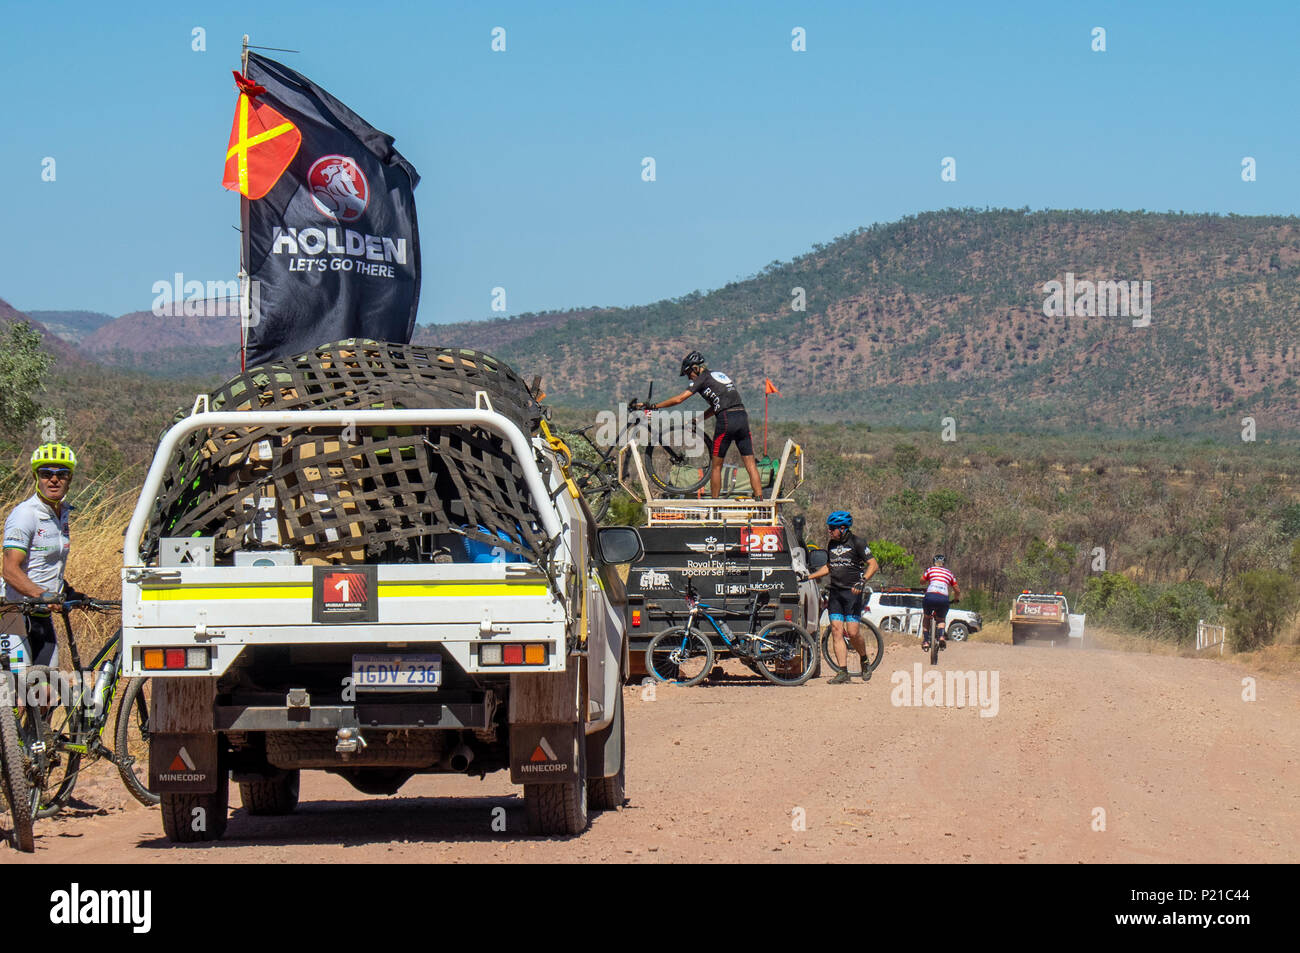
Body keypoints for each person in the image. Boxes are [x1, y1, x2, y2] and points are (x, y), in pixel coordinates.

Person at [636, 351, 765, 500]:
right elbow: (718, 404)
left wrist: (654, 406)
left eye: (688, 373)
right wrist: (699, 419)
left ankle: (714, 506)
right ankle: (760, 501)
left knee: (716, 466)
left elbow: (679, 399)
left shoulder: (702, 378)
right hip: (742, 416)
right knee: (750, 464)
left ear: (696, 368)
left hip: (726, 419)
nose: (689, 377)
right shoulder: (717, 376)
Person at [2, 444, 83, 669]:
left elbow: (45, 565)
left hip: (41, 614)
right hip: (14, 616)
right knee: (16, 691)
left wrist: (67, 591)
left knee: (45, 693)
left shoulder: (62, 513)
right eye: (46, 473)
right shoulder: (25, 515)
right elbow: (10, 570)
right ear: (36, 477)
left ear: (70, 478)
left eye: (61, 474)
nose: (54, 479)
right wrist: (43, 594)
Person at [808, 510, 878, 684]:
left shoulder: (858, 543)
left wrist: (862, 581)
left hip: (852, 594)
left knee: (853, 633)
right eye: (829, 528)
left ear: (843, 528)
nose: (829, 531)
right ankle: (843, 671)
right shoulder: (832, 544)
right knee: (837, 631)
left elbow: (873, 565)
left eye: (832, 528)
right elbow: (829, 567)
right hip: (836, 593)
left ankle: (864, 659)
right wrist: (809, 576)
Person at [919, 554, 959, 652]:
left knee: (927, 617)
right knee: (941, 619)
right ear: (944, 564)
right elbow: (957, 590)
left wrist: (927, 581)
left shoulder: (930, 570)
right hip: (943, 598)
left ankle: (925, 641)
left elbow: (922, 581)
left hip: (930, 596)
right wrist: (956, 599)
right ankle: (941, 636)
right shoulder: (949, 573)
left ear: (934, 562)